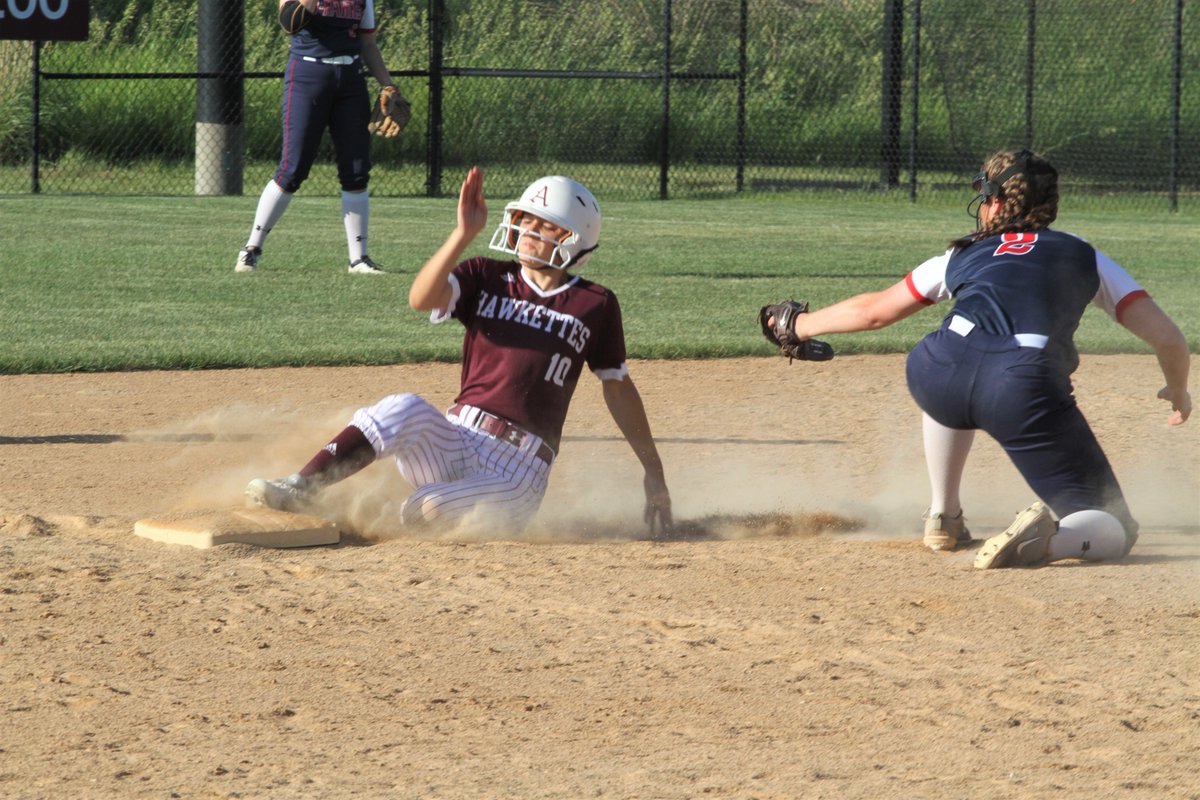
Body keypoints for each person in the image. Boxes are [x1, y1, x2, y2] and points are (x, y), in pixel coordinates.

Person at [764, 149, 1191, 569]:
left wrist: (799, 325)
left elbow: (875, 312)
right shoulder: (1082, 254)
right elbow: (1168, 339)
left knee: (955, 365)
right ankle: (1048, 543)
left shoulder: (965, 252)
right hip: (1022, 386)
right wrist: (1177, 388)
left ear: (999, 201)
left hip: (936, 368)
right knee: (1114, 527)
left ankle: (942, 515)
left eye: (985, 196)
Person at [245, 168, 674, 535]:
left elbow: (617, 387)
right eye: (524, 217)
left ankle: (376, 523)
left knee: (426, 508)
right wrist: (462, 234)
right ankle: (301, 488)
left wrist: (653, 470)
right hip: (458, 437)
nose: (526, 229)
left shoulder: (594, 304)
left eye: (543, 225)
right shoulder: (487, 275)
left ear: (573, 240)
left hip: (519, 470)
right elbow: (421, 297)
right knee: (403, 407)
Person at [235, 0, 398, 275]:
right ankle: (251, 248)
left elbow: (368, 45)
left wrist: (388, 84)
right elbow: (289, 23)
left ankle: (358, 259)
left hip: (350, 79)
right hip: (308, 75)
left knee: (356, 169)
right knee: (292, 168)